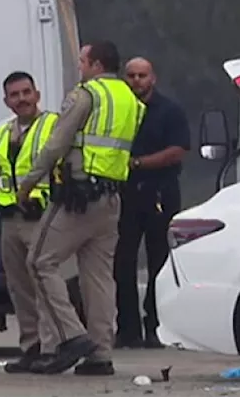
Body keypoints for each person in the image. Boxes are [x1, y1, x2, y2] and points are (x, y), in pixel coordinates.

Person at [15, 41, 145, 376]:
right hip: (112, 197)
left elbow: (57, 142)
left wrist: (29, 182)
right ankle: (101, 354)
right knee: (99, 277)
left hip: (79, 196)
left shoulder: (87, 95)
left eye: (83, 61)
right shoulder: (130, 100)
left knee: (39, 260)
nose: (80, 67)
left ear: (97, 65)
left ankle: (71, 335)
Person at [0, 71, 58, 374]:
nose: (21, 99)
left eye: (26, 92)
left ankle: (51, 348)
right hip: (10, 220)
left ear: (36, 94)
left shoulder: (53, 126)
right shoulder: (3, 134)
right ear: (6, 101)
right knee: (19, 287)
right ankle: (31, 348)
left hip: (43, 218)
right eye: (14, 95)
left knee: (45, 285)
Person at [115, 57, 189, 348]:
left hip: (160, 191)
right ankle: (127, 328)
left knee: (159, 260)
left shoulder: (170, 111)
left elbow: (178, 150)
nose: (136, 81)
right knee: (122, 262)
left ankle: (156, 326)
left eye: (142, 75)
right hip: (125, 193)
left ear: (153, 78)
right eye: (131, 75)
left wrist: (138, 163)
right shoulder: (120, 110)